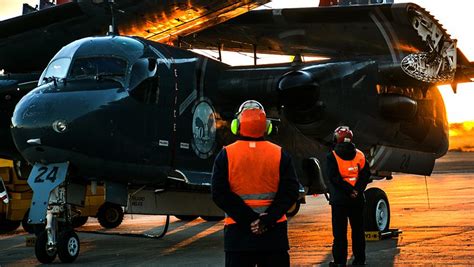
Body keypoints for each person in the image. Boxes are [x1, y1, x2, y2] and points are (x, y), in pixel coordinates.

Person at [211, 100, 300, 267]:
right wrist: (267, 220)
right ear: (266, 126)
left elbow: (219, 193)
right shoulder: (280, 154)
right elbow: (291, 192)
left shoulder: (226, 155)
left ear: (237, 125)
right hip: (274, 235)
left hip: (239, 235)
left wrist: (249, 220)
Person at [326, 126, 370, 267]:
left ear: (336, 139)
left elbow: (333, 178)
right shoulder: (360, 155)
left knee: (339, 235)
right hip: (357, 200)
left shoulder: (332, 156)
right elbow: (365, 175)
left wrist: (348, 190)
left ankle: (340, 262)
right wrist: (356, 190)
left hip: (340, 201)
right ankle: (359, 261)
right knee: (358, 232)